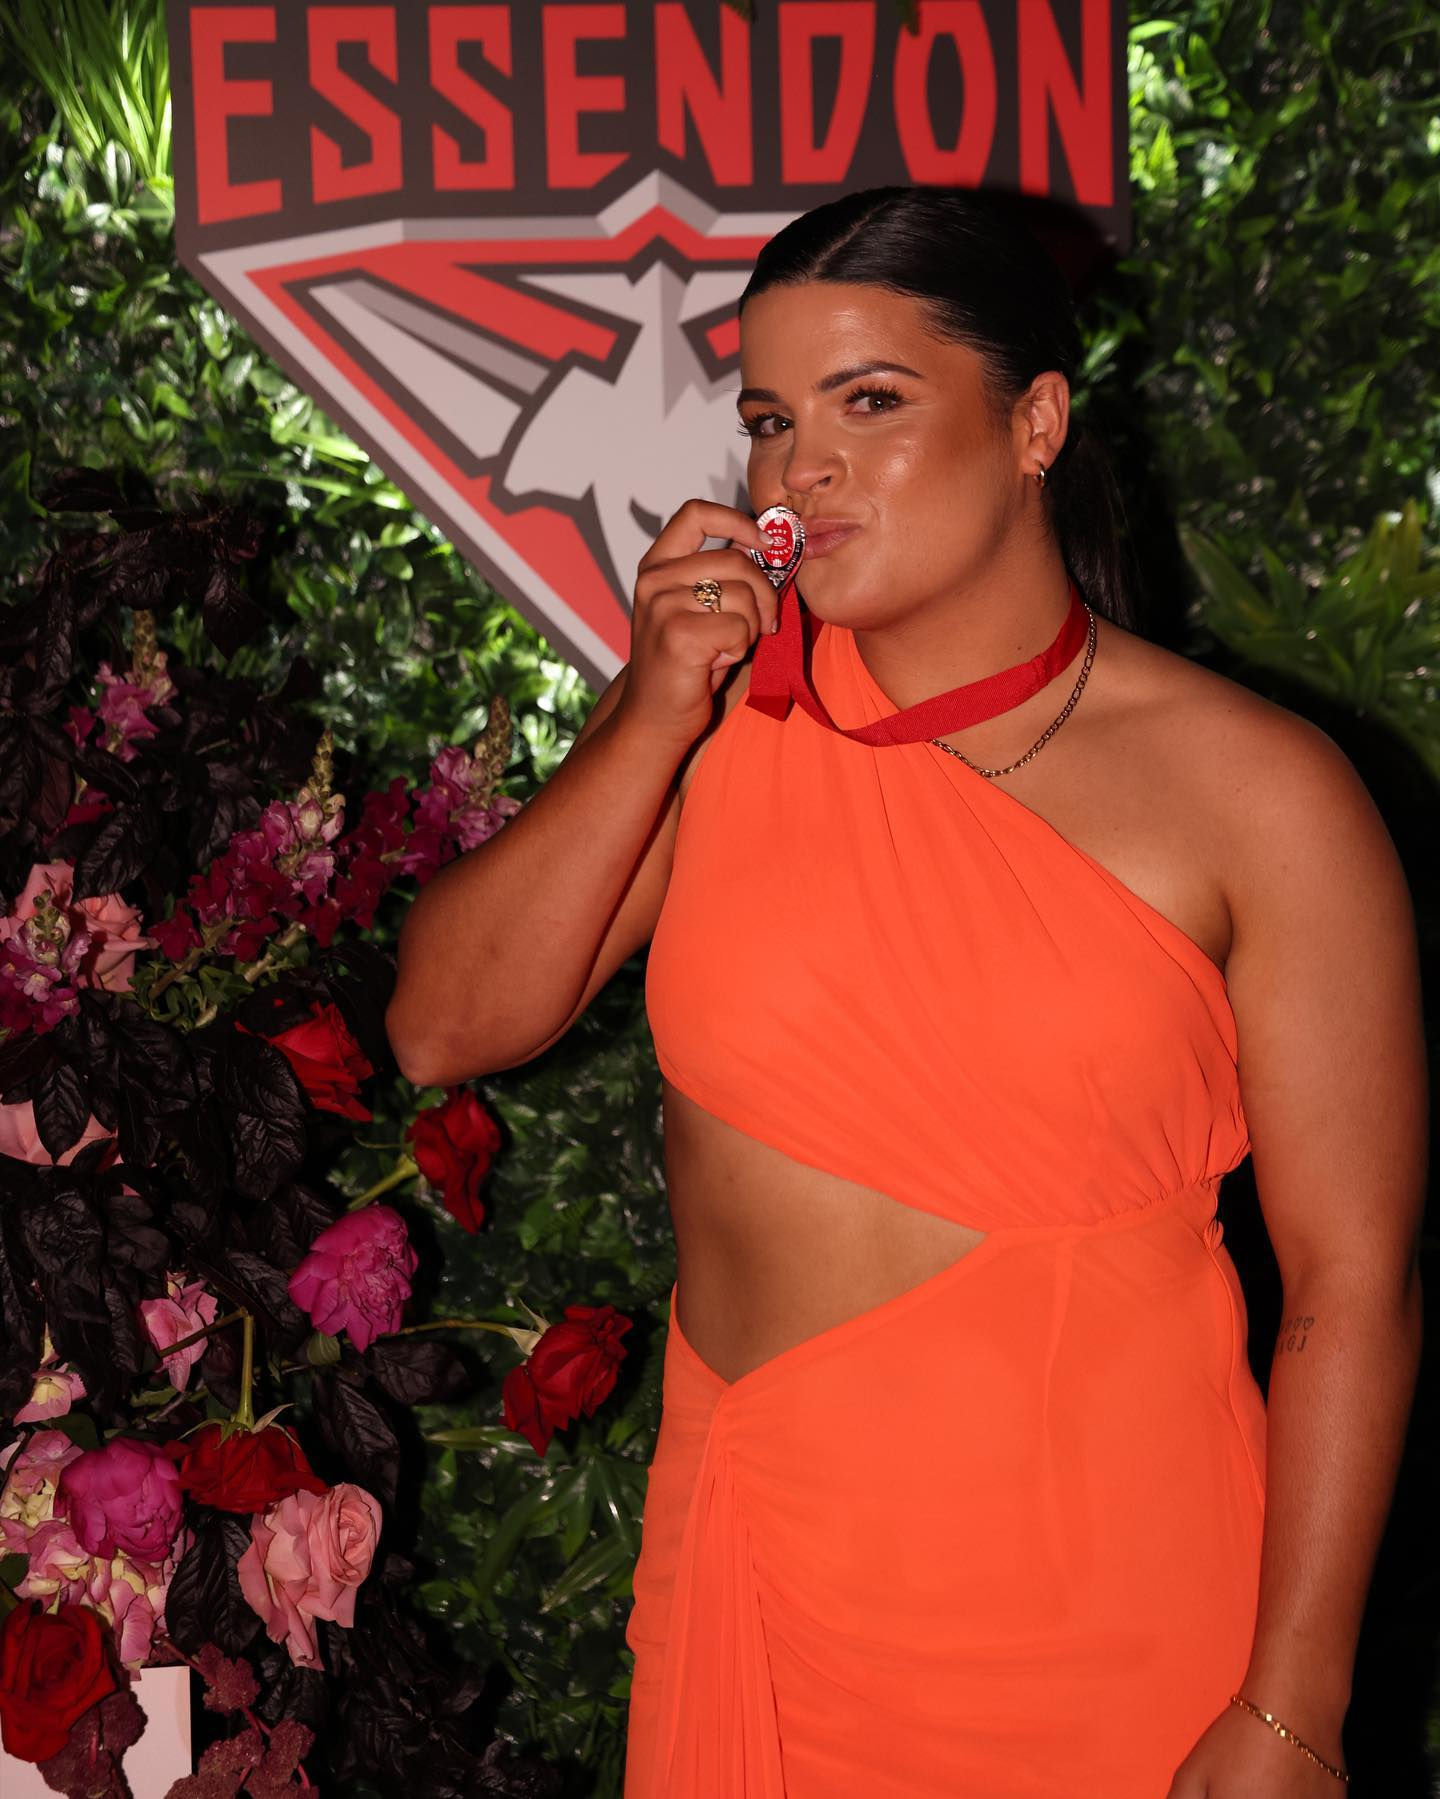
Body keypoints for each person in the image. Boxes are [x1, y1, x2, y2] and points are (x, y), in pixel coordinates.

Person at [385, 187, 1427, 1798]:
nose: (802, 467)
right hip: (765, 1595)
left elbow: (1354, 1286)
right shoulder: (722, 714)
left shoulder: (1262, 793)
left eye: (872, 403)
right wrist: (654, 708)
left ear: (1036, 422)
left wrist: (1293, 1702)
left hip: (1113, 1602)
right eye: (769, 417)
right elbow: (443, 1026)